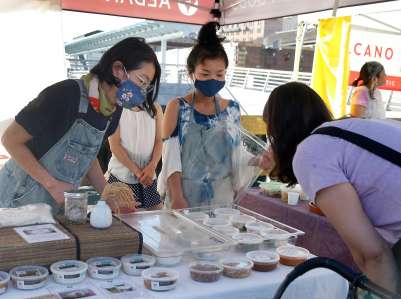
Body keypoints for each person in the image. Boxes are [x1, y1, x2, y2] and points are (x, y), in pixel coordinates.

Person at [262, 82, 401, 298]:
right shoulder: (355, 127)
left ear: (279, 127)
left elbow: (371, 253)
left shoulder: (311, 150)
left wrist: (382, 294)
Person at [0, 37, 161, 214]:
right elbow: (10, 139)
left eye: (146, 86)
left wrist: (106, 192)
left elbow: (87, 154)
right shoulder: (67, 93)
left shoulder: (113, 112)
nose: (142, 91)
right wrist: (52, 185)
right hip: (14, 199)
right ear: (117, 69)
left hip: (56, 206)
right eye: (141, 80)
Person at [158, 22, 245, 209]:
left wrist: (258, 161)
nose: (213, 79)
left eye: (220, 74)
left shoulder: (232, 109)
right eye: (205, 74)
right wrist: (177, 196)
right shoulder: (177, 107)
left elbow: (237, 154)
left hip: (222, 198)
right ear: (191, 74)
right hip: (184, 197)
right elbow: (170, 156)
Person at [107, 99, 164, 210]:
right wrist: (137, 172)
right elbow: (115, 146)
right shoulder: (116, 109)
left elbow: (159, 141)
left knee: (155, 217)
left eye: (147, 81)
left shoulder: (155, 108)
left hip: (148, 175)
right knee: (123, 220)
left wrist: (152, 165)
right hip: (120, 176)